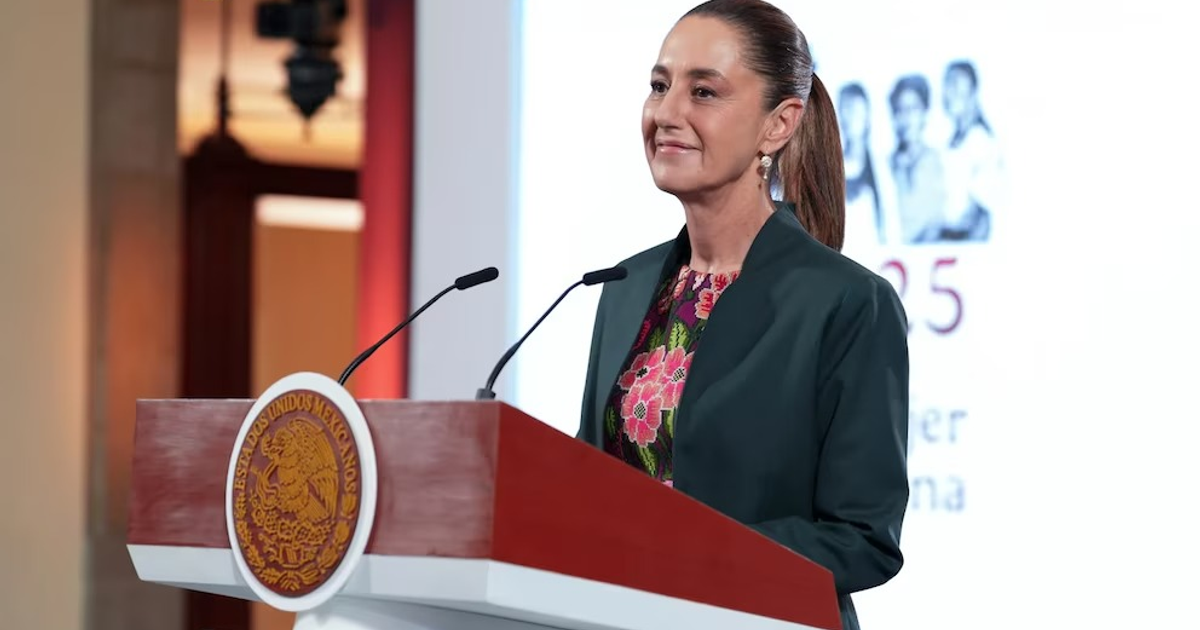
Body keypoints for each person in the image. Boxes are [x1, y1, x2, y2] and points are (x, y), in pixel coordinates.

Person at [574, 2, 910, 629]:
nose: (666, 113)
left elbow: (863, 537)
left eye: (704, 91)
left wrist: (683, 556)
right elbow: (589, 486)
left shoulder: (844, 302)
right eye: (658, 85)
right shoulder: (624, 286)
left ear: (778, 125)